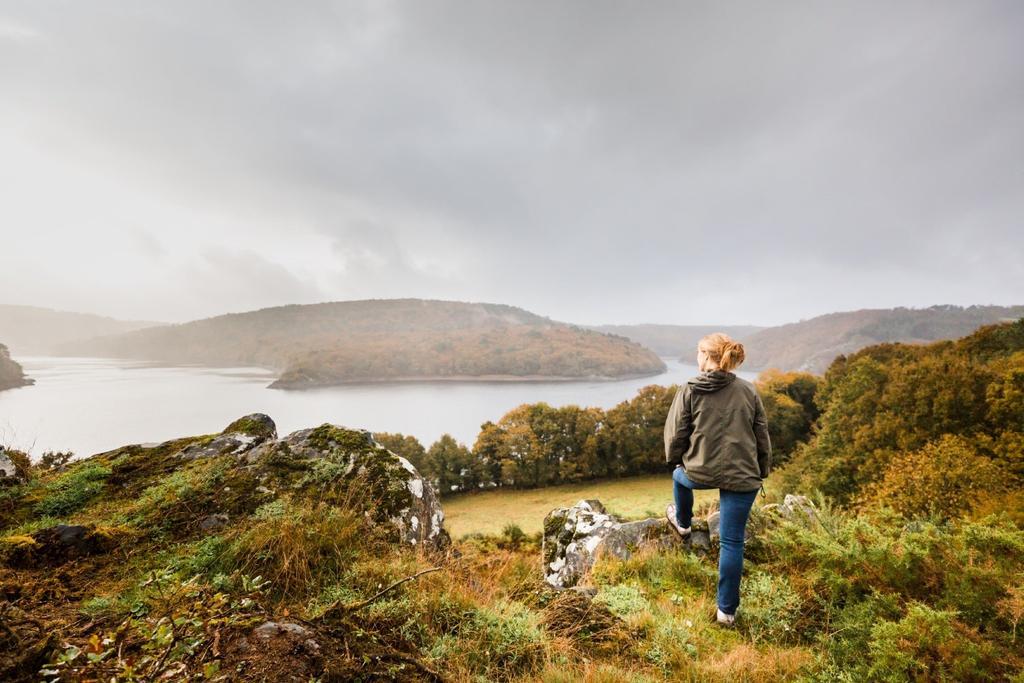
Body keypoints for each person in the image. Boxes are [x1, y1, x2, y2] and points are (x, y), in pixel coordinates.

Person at [663, 332, 771, 626]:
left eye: (698, 353)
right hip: (744, 475)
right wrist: (762, 470)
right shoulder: (748, 391)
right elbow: (762, 436)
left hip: (698, 472)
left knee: (677, 476)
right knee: (732, 542)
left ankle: (683, 524)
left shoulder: (689, 389)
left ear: (706, 356)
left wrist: (676, 459)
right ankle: (726, 612)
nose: (697, 358)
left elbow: (676, 435)